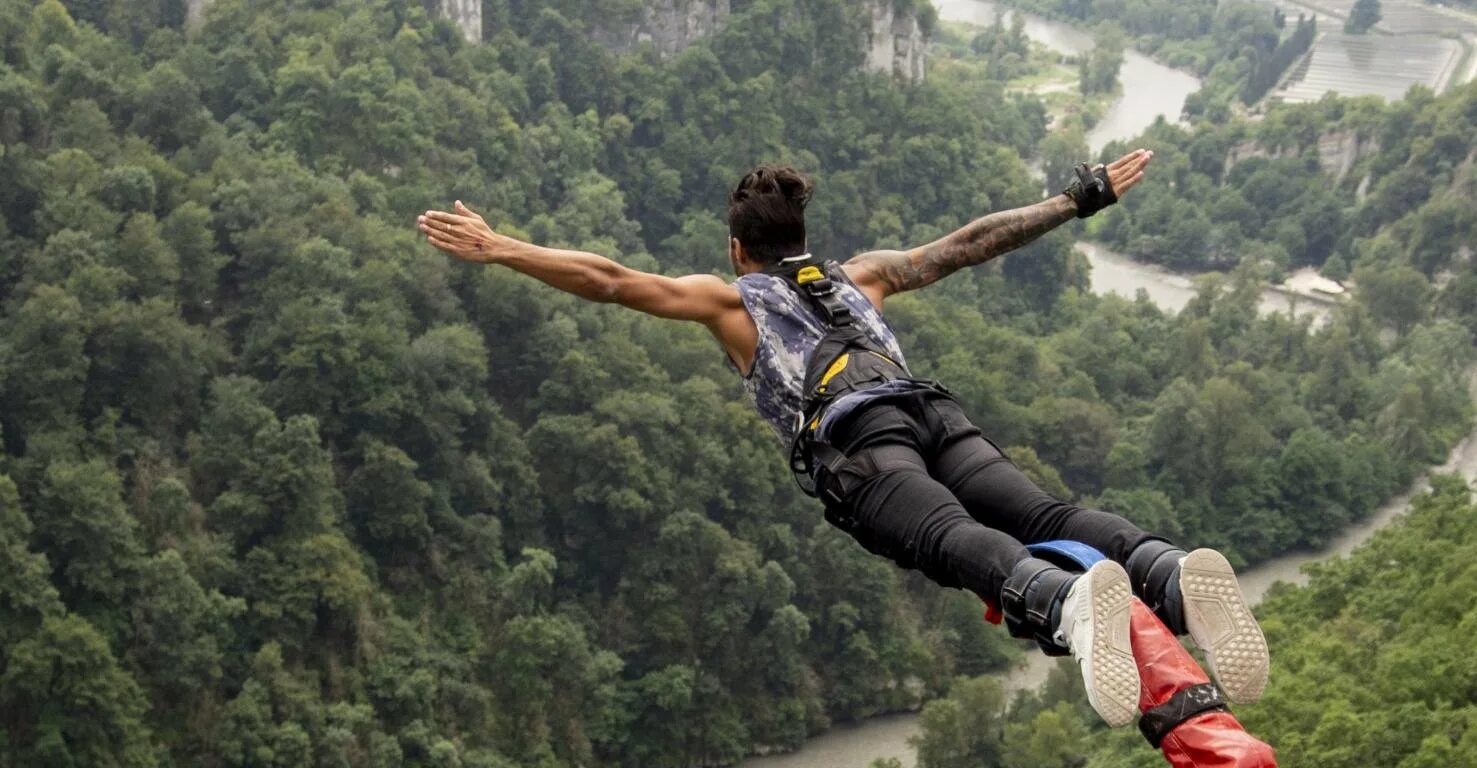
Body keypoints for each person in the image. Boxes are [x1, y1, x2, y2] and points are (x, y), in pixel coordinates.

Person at [416, 149, 1269, 727]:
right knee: (1044, 509)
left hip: (857, 438)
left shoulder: (730, 299)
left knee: (943, 536)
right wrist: (1077, 197)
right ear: (799, 241)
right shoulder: (862, 276)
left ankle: (1069, 605)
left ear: (738, 248)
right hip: (931, 409)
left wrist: (501, 249)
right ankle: (1165, 570)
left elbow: (609, 281)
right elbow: (970, 243)